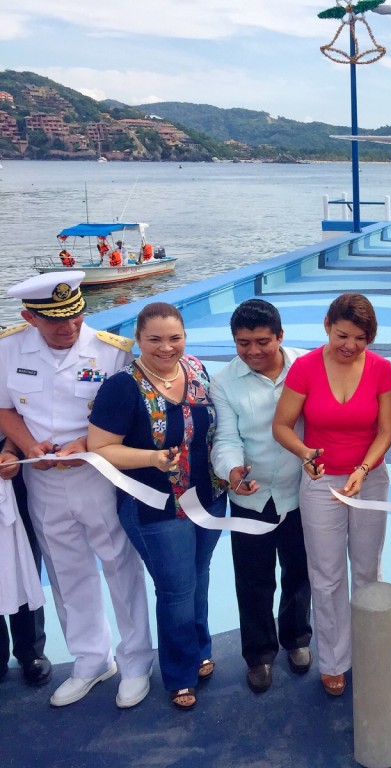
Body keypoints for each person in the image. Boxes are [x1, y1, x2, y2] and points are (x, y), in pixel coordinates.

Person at [0, 272, 153, 709]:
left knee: (119, 565)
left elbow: (131, 414)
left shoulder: (111, 351)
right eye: (54, 321)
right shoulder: (7, 349)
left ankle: (137, 660)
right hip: (42, 476)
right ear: (29, 317)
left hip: (98, 474)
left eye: (76, 315)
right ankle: (91, 660)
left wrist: (87, 444)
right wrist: (27, 446)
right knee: (67, 572)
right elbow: (4, 407)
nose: (68, 327)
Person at [88, 302, 226, 711]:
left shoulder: (197, 370)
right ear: (138, 340)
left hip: (208, 498)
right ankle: (180, 675)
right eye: (155, 340)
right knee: (176, 590)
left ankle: (200, 647)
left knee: (199, 577)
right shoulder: (122, 386)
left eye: (175, 338)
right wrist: (150, 458)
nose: (166, 348)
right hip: (156, 506)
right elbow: (100, 447)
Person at [272, 293, 391, 698]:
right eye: (343, 335)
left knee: (366, 570)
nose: (350, 345)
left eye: (361, 338)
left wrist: (362, 470)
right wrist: (306, 453)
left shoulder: (381, 370)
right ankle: (334, 660)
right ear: (327, 325)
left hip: (369, 480)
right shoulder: (306, 368)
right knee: (325, 576)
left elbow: (386, 431)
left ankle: (369, 649)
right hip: (321, 481)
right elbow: (284, 426)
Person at [210, 299, 312, 695]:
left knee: (299, 572)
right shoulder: (224, 382)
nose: (253, 352)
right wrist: (232, 473)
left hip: (301, 491)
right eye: (243, 343)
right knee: (253, 579)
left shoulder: (307, 367)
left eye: (262, 342)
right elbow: (227, 438)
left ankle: (297, 639)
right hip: (250, 497)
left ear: (280, 337)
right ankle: (259, 655)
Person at [0, 433, 51, 688]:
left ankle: (30, 650)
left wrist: (11, 447)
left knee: (24, 554)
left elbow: (11, 409)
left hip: (10, 454)